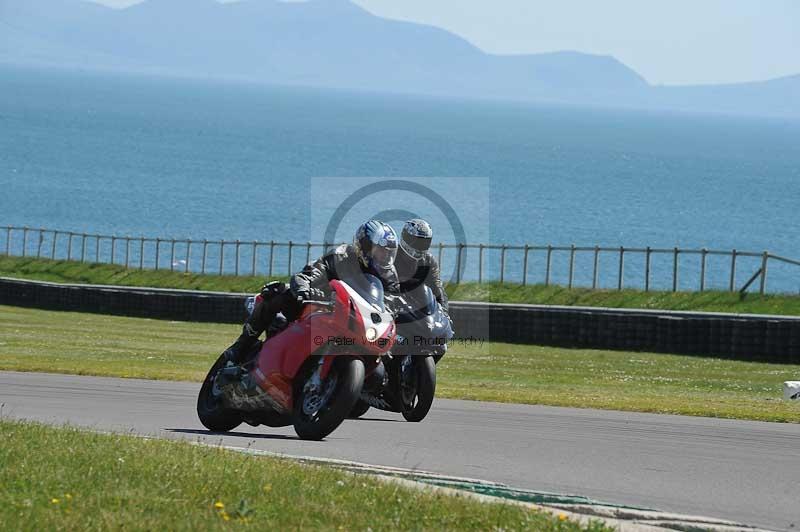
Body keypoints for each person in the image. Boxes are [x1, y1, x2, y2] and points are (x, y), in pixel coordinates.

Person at [222, 220, 400, 364]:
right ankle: (242, 345)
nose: (384, 257)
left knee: (381, 362)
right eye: (380, 251)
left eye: (388, 253)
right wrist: (303, 289)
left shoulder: (389, 274)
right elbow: (313, 272)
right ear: (364, 246)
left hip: (358, 320)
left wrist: (392, 314)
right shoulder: (341, 256)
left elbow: (392, 300)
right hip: (321, 304)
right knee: (277, 293)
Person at [393, 218, 448, 313]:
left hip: (420, 311)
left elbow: (438, 289)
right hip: (394, 308)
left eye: (424, 242)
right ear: (405, 237)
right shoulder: (391, 257)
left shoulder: (429, 261)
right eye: (416, 241)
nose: (420, 245)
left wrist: (444, 312)